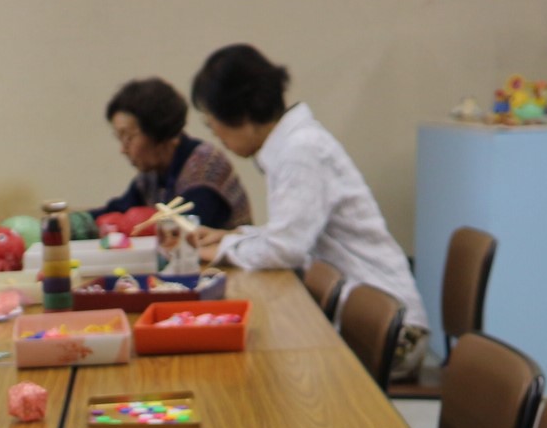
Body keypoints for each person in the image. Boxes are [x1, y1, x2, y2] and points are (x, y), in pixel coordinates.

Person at [189, 44, 430, 379]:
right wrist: (230, 237)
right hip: (367, 317)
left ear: (240, 115)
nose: (216, 135)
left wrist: (223, 249)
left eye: (212, 123)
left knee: (265, 373)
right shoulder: (292, 145)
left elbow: (285, 249)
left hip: (397, 334)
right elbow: (290, 234)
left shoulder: (300, 151)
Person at [99, 77, 251, 230]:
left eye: (128, 137)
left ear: (157, 130)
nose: (123, 149)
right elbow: (119, 210)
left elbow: (187, 227)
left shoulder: (207, 168)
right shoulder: (151, 177)